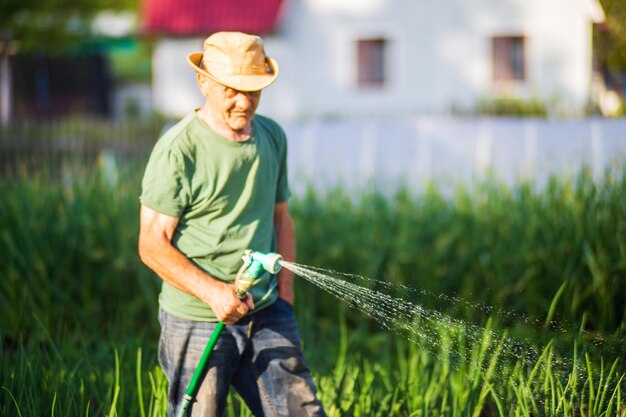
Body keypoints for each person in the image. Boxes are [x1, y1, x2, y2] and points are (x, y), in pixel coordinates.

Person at [138, 31, 326, 417]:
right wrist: (214, 294)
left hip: (267, 310)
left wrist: (284, 298)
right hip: (196, 318)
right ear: (203, 83)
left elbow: (281, 218)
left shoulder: (272, 137)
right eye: (231, 90)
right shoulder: (179, 150)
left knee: (301, 412)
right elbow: (152, 243)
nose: (244, 102)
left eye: (253, 90)